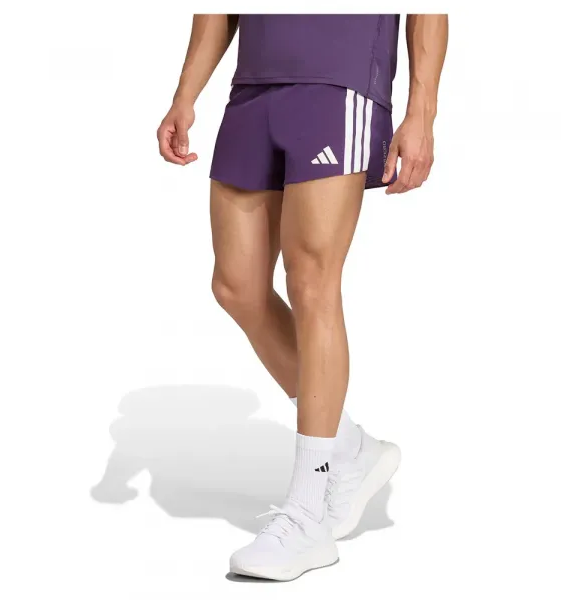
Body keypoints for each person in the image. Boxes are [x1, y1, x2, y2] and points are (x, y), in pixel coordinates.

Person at [157, 14, 448, 581]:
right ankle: (349, 446)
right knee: (236, 286)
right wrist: (185, 94)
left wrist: (423, 111)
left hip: (338, 78)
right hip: (254, 83)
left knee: (312, 280)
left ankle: (310, 513)